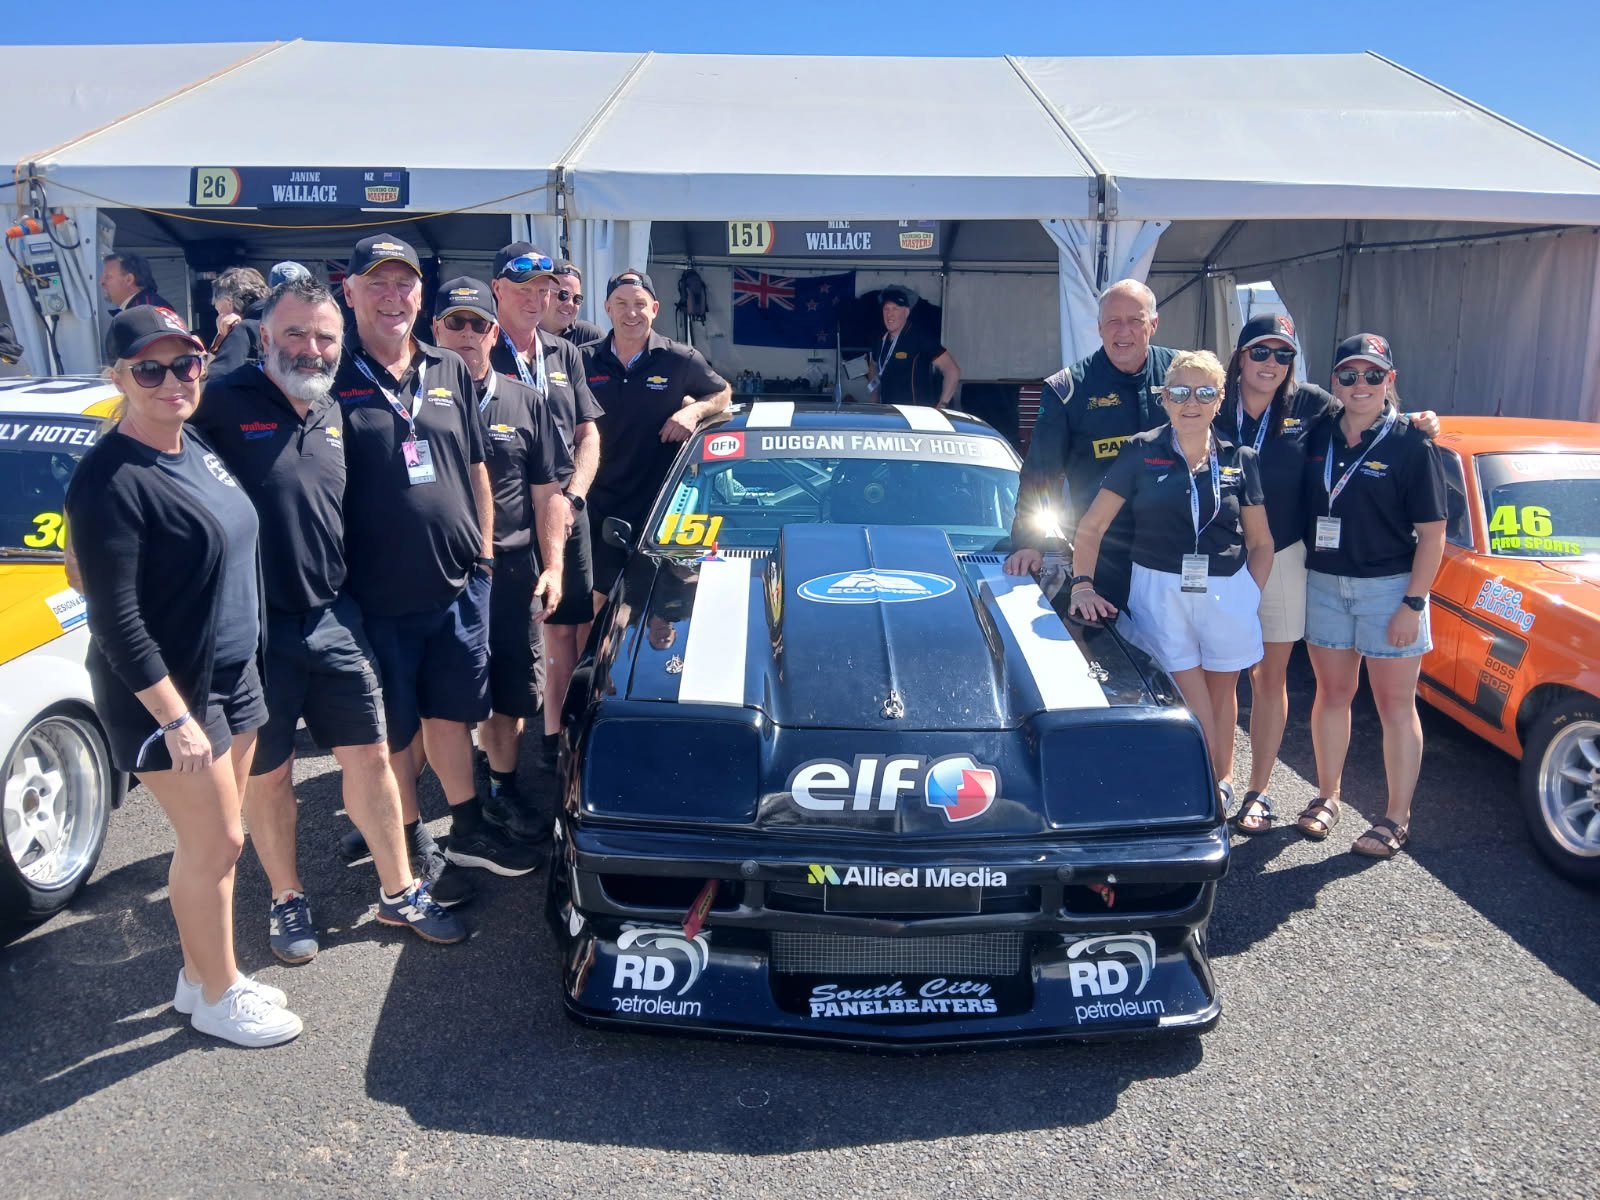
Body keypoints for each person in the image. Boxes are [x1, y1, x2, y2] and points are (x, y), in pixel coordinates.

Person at [189, 276, 466, 960]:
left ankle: (399, 890)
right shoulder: (219, 403)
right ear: (264, 336)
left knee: (370, 755)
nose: (310, 349)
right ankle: (287, 898)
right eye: (295, 334)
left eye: (324, 337)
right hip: (255, 630)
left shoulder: (332, 404)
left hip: (335, 616)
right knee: (271, 774)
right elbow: (151, 463)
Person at [65, 306, 301, 1047]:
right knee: (218, 842)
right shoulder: (111, 480)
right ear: (118, 378)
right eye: (150, 369)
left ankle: (202, 977)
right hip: (172, 698)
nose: (173, 381)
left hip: (233, 675)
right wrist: (174, 718)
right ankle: (220, 995)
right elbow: (117, 622)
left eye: (186, 363)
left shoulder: (191, 442)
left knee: (214, 844)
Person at [333, 233, 540, 891]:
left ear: (420, 296)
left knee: (451, 714)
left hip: (457, 585)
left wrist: (483, 558)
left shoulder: (446, 367)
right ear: (350, 292)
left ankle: (468, 827)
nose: (392, 297)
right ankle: (410, 839)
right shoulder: (331, 376)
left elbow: (477, 465)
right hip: (377, 596)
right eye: (377, 283)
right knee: (394, 730)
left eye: (404, 284)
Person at [1068, 350, 1272, 797]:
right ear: (1164, 398)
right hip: (1159, 590)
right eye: (1179, 392)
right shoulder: (1141, 450)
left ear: (1220, 399)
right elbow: (1092, 527)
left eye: (1203, 392)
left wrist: (1248, 594)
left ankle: (1221, 783)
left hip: (1226, 591)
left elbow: (1261, 542)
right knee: (1190, 695)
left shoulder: (1241, 457)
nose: (1190, 402)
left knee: (1222, 694)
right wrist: (1082, 584)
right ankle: (1203, 787)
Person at [1296, 334, 1446, 860]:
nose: (1361, 385)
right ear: (1334, 381)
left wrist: (1413, 604)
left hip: (1389, 591)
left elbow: (1433, 536)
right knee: (1332, 694)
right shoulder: (1318, 432)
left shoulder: (1411, 443)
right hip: (1324, 584)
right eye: (1350, 375)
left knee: (1394, 707)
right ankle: (1327, 796)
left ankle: (1396, 817)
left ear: (1390, 380)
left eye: (1373, 375)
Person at [431, 276, 568, 831]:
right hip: (437, 574)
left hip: (511, 572)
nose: (467, 333)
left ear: (494, 333)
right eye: (455, 323)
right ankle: (411, 813)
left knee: (509, 694)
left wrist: (554, 566)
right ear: (436, 330)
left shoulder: (526, 401)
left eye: (478, 324)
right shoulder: (415, 402)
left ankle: (501, 789)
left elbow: (548, 495)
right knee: (435, 698)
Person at [487, 242, 605, 766]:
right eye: (524, 289)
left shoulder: (564, 354)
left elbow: (588, 434)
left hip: (565, 509)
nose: (537, 298)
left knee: (564, 630)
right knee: (503, 635)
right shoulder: (478, 348)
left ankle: (554, 737)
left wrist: (574, 497)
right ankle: (495, 754)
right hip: (506, 518)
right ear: (497, 290)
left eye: (545, 289)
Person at [1004, 279, 1177, 611]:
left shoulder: (1181, 375)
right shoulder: (1068, 388)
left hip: (1173, 551)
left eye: (1135, 320)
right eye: (1113, 321)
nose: (1123, 331)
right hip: (1102, 553)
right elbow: (1041, 471)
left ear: (1153, 324)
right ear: (1099, 328)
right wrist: (1028, 541)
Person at [581, 270, 731, 609]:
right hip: (595, 503)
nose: (631, 313)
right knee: (593, 605)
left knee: (654, 609)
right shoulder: (581, 359)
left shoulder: (680, 359)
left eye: (639, 304)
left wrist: (692, 413)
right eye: (621, 304)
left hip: (656, 509)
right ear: (607, 308)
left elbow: (722, 392)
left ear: (655, 308)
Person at [865, 285, 960, 408]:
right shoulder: (880, 340)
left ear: (906, 312)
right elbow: (873, 366)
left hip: (915, 413)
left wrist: (942, 405)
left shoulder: (919, 337)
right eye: (886, 309)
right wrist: (874, 403)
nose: (890, 314)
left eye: (895, 309)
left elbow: (952, 370)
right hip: (888, 412)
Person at [208, 266, 269, 376]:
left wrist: (220, 339)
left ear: (229, 303)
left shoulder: (242, 331)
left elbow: (214, 379)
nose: (219, 316)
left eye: (219, 311)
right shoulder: (282, 319)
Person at [541, 259, 606, 347]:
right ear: (543, 292)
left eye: (577, 298)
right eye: (563, 295)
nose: (570, 304)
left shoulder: (590, 337)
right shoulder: (525, 334)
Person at [99, 252, 171, 315]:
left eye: (108, 276)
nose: (101, 282)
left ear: (129, 279)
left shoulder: (143, 313)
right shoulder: (149, 306)